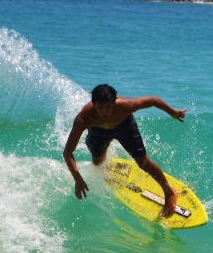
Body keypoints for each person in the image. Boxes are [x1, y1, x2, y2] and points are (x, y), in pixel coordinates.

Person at [63, 84, 187, 218]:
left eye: (108, 107)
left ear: (114, 102)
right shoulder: (84, 118)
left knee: (143, 162)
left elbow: (153, 100)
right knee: (97, 161)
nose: (104, 112)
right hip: (97, 132)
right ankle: (105, 164)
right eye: (100, 107)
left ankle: (169, 192)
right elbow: (68, 152)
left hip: (124, 127)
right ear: (93, 104)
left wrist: (173, 112)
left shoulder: (126, 105)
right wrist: (77, 178)